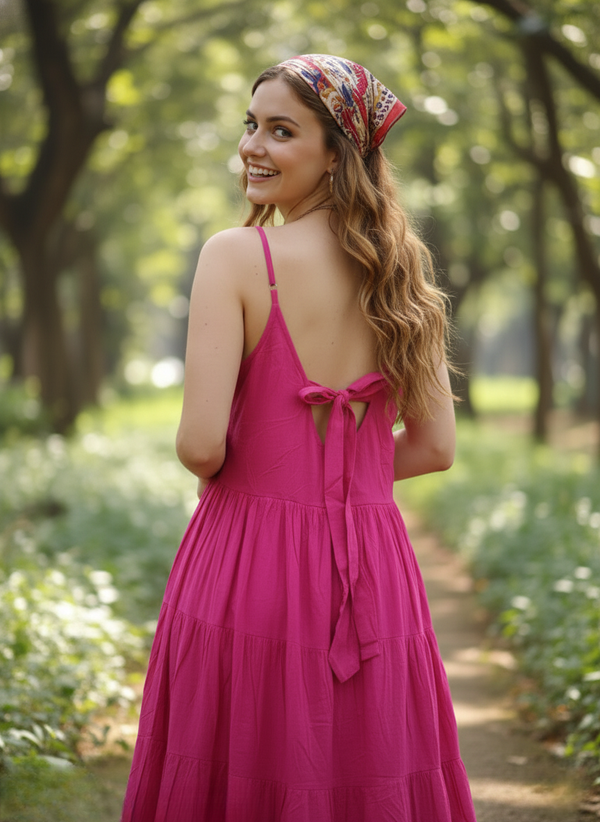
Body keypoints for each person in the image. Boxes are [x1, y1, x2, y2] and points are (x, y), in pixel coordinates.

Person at [121, 54, 477, 822]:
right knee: (361, 759)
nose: (253, 146)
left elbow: (200, 447)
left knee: (239, 759)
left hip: (248, 556)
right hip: (372, 566)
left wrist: (277, 471)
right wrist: (340, 472)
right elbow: (435, 447)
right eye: (251, 125)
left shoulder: (236, 256)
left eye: (282, 131)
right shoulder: (402, 273)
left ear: (338, 154)